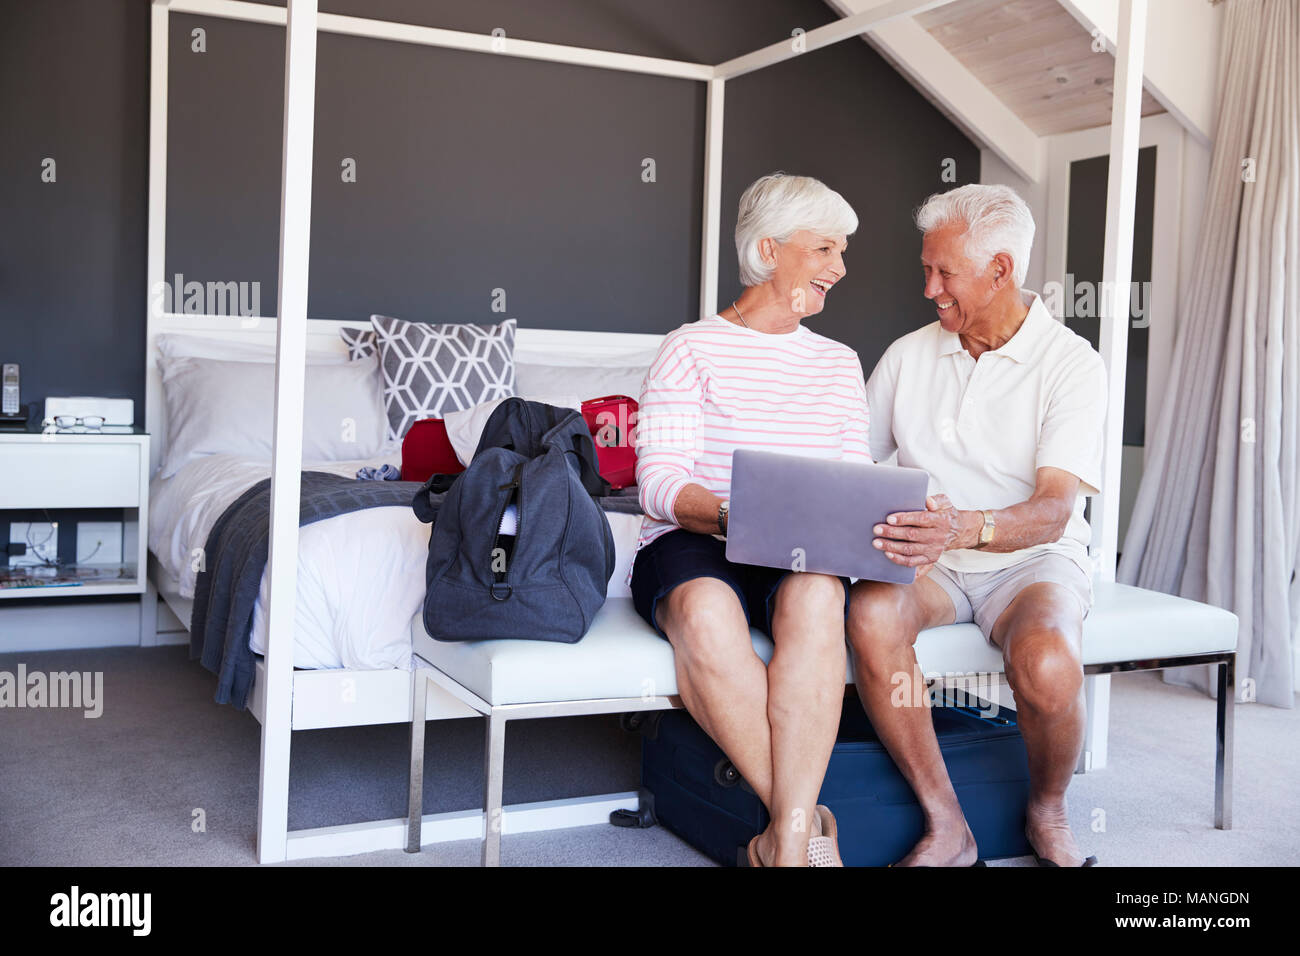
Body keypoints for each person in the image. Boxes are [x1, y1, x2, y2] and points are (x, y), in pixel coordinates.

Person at [852, 183, 1107, 867]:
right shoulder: (909, 355)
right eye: (926, 268)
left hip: (1032, 562)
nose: (930, 288)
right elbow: (851, 459)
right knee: (871, 615)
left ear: (1001, 271)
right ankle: (948, 826)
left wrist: (966, 528)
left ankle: (1047, 812)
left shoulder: (1072, 365)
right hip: (934, 560)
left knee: (1049, 663)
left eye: (946, 272)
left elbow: (1055, 510)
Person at [631, 173, 871, 867]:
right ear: (770, 250)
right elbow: (658, 484)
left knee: (820, 597)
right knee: (705, 611)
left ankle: (781, 842)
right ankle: (802, 828)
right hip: (696, 539)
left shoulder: (837, 362)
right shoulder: (690, 346)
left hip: (802, 548)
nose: (840, 267)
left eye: (842, 251)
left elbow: (852, 480)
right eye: (825, 248)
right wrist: (733, 512)